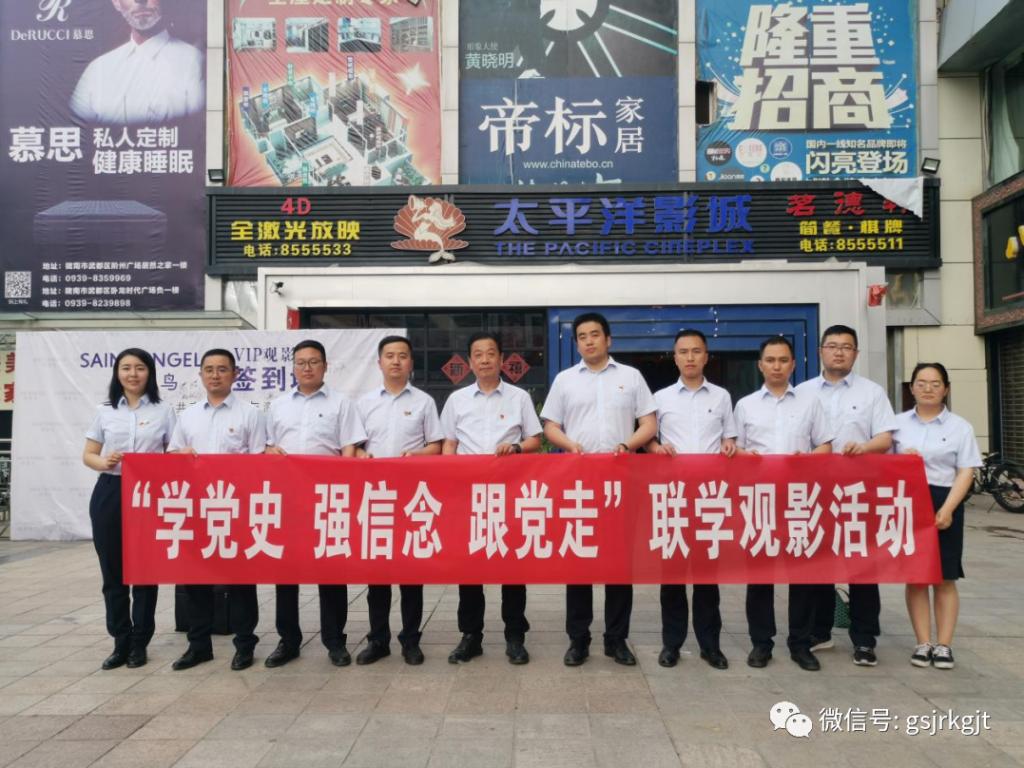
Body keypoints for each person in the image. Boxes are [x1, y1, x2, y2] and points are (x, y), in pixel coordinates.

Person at [541, 312, 657, 666]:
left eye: (595, 334)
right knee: (578, 561)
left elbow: (649, 423)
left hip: (620, 481)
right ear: (576, 343)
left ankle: (616, 639)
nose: (589, 341)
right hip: (579, 483)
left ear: (608, 339)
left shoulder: (630, 377)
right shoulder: (565, 380)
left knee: (619, 563)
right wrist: (569, 444)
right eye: (582, 336)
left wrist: (627, 445)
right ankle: (578, 639)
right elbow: (550, 425)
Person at [796, 325, 897, 667]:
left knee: (862, 566)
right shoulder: (803, 392)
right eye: (832, 346)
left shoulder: (872, 393)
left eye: (846, 347)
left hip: (858, 490)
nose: (839, 352)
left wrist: (864, 447)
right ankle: (819, 631)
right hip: (815, 491)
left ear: (856, 353)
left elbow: (885, 438)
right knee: (818, 562)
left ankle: (864, 639)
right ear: (821, 351)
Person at [263, 339, 367, 668]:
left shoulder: (342, 403)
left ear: (325, 366)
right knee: (286, 572)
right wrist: (270, 451)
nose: (307, 368)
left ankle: (335, 641)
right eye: (301, 362)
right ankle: (288, 640)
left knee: (331, 571)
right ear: (293, 367)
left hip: (328, 499)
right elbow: (267, 446)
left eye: (313, 362)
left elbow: (349, 449)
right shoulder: (278, 405)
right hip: (288, 499)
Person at [441, 332, 542, 665]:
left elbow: (535, 439)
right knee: (469, 569)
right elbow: (449, 444)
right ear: (470, 362)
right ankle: (471, 636)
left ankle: (515, 637)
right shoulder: (456, 400)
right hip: (468, 496)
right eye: (478, 354)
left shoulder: (518, 397)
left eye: (490, 354)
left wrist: (516, 447)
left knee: (512, 568)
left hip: (509, 493)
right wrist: (451, 476)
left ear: (501, 359)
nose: (484, 360)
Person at [734, 335, 833, 672]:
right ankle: (761, 643)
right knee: (759, 577)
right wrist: (747, 457)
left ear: (793, 364)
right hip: (760, 500)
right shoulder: (746, 405)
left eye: (783, 360)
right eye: (770, 360)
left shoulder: (809, 403)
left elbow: (825, 446)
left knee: (802, 575)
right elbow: (734, 450)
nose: (776, 366)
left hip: (799, 500)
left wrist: (807, 460)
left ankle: (800, 644)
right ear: (760, 365)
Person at [167, 349, 265, 672]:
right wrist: (180, 456)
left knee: (240, 580)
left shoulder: (250, 415)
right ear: (200, 375)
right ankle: (198, 646)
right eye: (209, 369)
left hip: (235, 509)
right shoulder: (188, 416)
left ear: (235, 374)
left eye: (222, 369)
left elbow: (259, 463)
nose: (215, 375)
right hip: (196, 508)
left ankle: (245, 644)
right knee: (195, 580)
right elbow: (172, 457)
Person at [646, 329, 735, 670]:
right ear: (675, 357)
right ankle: (671, 643)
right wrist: (657, 448)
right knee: (672, 576)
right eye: (683, 352)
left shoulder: (722, 397)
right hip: (674, 497)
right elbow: (649, 441)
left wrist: (729, 445)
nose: (690, 357)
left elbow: (730, 438)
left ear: (706, 356)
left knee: (707, 577)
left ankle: (710, 646)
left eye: (696, 351)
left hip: (710, 498)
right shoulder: (661, 398)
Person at [83, 347, 175, 670]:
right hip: (110, 491)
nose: (132, 374)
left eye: (139, 368)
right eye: (126, 368)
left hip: (149, 495)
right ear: (117, 373)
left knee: (145, 572)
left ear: (150, 373)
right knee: (113, 572)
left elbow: (173, 454)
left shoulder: (164, 411)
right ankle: (120, 641)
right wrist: (104, 462)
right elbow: (88, 454)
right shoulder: (105, 411)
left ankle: (139, 643)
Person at [354, 336, 443, 666]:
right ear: (379, 363)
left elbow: (436, 446)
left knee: (410, 574)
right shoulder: (364, 403)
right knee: (377, 576)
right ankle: (378, 640)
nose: (395, 361)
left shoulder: (424, 402)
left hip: (411, 498)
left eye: (402, 356)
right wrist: (361, 455)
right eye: (389, 356)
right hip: (375, 498)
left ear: (411, 363)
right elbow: (353, 445)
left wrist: (417, 455)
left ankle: (410, 640)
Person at [893, 362, 981, 670]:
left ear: (946, 389)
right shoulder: (897, 425)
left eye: (935, 383)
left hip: (946, 499)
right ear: (912, 388)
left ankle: (944, 645)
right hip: (908, 501)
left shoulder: (960, 427)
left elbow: (966, 470)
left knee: (945, 576)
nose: (928, 389)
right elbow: (882, 466)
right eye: (921, 383)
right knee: (917, 576)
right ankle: (923, 642)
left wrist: (948, 509)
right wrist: (901, 461)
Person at [70, 0, 204, 124]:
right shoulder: (97, 69)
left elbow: (198, 130)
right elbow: (78, 130)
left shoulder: (194, 61)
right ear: (116, 3)